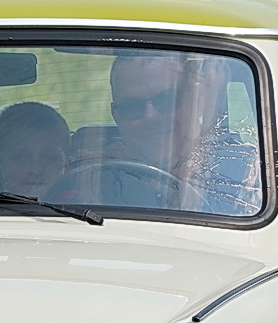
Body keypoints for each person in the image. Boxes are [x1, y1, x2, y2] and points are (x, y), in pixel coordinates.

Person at [105, 52, 261, 215]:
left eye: (166, 100)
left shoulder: (247, 173)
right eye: (131, 107)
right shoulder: (102, 178)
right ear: (116, 116)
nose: (151, 116)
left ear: (196, 100)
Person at [0, 101, 70, 198]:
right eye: (20, 158)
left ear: (66, 165)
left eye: (49, 158)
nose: (36, 170)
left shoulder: (85, 205)